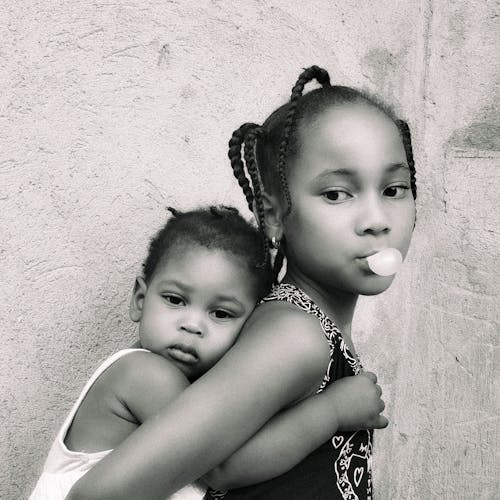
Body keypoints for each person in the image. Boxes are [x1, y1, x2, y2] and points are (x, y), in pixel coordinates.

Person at [67, 64, 416, 500]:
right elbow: (97, 495)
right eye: (336, 194)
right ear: (271, 216)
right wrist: (331, 413)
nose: (377, 221)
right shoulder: (295, 334)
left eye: (395, 188)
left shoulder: (309, 330)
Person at [31, 205, 386, 500]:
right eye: (174, 300)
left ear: (249, 327)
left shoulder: (191, 385)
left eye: (220, 313)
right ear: (140, 299)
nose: (192, 325)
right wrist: (334, 411)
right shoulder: (143, 374)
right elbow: (227, 467)